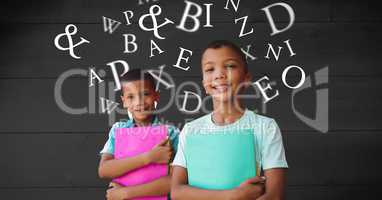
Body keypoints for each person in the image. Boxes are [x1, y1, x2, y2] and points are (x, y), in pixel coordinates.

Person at [171, 40, 288, 200]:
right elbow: (177, 192)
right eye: (210, 69)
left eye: (230, 66)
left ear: (246, 78)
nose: (219, 74)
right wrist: (233, 195)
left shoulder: (265, 127)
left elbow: (274, 196)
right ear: (205, 84)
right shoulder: (191, 130)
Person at [98, 69, 179, 200]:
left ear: (156, 96)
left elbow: (176, 180)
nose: (139, 102)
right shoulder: (118, 130)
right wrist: (149, 157)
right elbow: (104, 170)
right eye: (131, 97)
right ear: (123, 101)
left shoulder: (170, 133)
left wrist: (125, 193)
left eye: (145, 94)